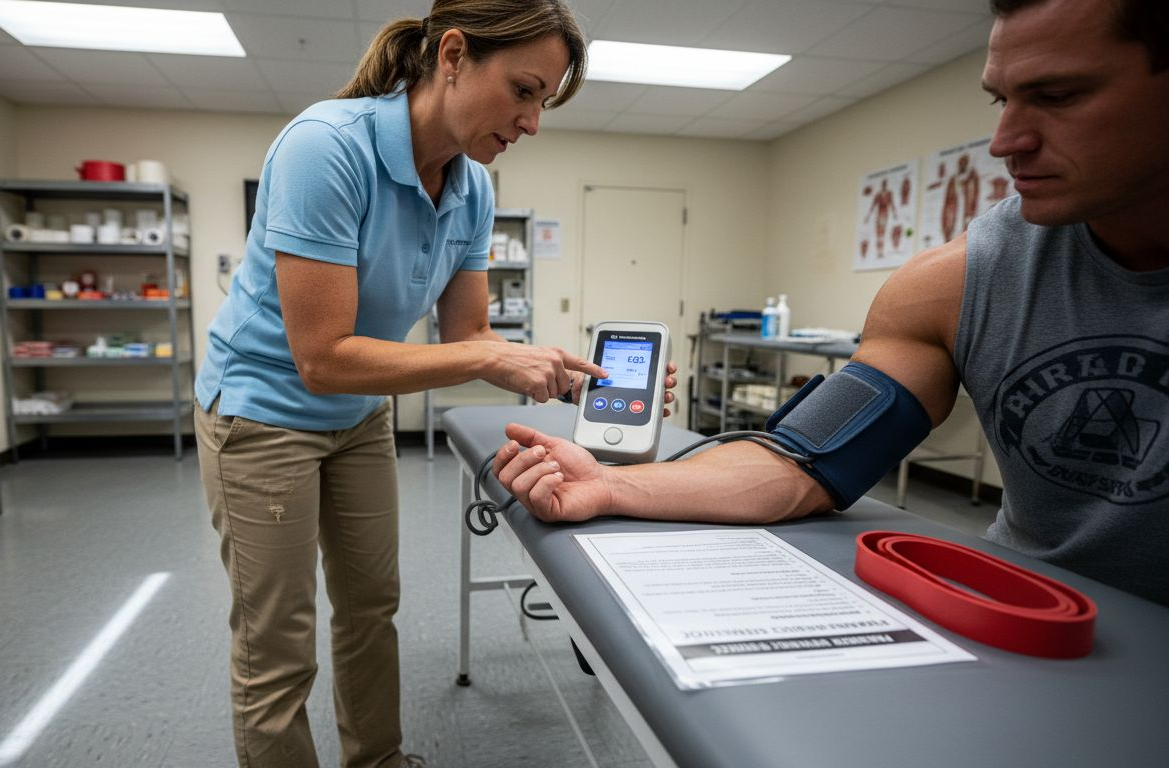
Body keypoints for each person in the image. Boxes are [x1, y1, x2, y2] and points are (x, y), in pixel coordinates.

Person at [494, 0, 1169, 606]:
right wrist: (610, 487)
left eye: (1058, 95)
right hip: (1030, 614)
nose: (1006, 143)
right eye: (1001, 102)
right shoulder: (957, 283)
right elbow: (802, 463)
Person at [193, 3, 639, 767]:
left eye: (544, 102)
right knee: (279, 642)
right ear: (455, 55)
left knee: (371, 607)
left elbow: (469, 337)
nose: (533, 122)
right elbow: (322, 356)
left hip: (360, 413)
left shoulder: (472, 189)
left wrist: (561, 378)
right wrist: (487, 361)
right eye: (525, 90)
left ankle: (377, 758)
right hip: (264, 412)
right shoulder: (324, 149)